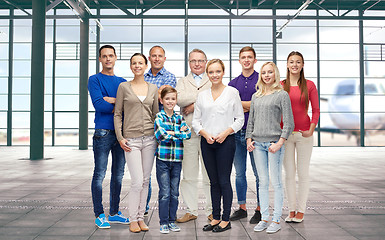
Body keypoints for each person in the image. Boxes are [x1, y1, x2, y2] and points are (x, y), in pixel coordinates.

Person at [192, 59, 244, 233]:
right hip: (207, 142)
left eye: (217, 71)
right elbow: (196, 121)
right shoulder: (202, 95)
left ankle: (226, 219)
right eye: (211, 72)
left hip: (225, 142)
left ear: (223, 72)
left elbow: (240, 119)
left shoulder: (232, 92)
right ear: (208, 74)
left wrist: (226, 133)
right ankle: (215, 218)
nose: (214, 75)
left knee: (223, 181)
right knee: (213, 182)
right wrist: (205, 134)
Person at [246, 62, 294, 234]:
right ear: (261, 75)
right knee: (262, 182)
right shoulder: (256, 96)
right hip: (257, 144)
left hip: (274, 144)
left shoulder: (282, 95)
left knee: (276, 182)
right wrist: (248, 139)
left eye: (270, 72)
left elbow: (289, 122)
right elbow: (251, 120)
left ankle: (276, 220)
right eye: (264, 72)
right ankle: (264, 218)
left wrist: (280, 142)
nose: (266, 75)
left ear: (275, 74)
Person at [114, 53, 158, 233]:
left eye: (140, 63)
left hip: (150, 139)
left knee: (146, 181)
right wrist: (120, 137)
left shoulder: (153, 88)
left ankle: (141, 218)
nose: (137, 66)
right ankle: (133, 219)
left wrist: (158, 137)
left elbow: (156, 115)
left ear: (146, 65)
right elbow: (118, 113)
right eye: (134, 63)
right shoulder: (124, 87)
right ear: (131, 67)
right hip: (130, 140)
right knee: (137, 181)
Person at [88, 45, 129, 229]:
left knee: (118, 175)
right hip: (103, 132)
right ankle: (99, 214)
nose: (108, 59)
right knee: (99, 174)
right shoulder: (94, 79)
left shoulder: (122, 82)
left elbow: (129, 107)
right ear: (100, 59)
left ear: (115, 57)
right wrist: (118, 104)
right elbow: (99, 106)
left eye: (111, 56)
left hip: (121, 133)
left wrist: (111, 100)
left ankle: (114, 212)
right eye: (104, 56)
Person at [282, 51, 320, 223]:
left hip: (304, 135)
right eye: (292, 62)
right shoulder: (281, 85)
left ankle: (301, 211)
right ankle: (291, 209)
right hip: (286, 136)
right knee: (289, 174)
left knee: (303, 173)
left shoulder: (310, 85)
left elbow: (316, 110)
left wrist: (311, 129)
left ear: (302, 65)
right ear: (287, 65)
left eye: (298, 62)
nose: (295, 65)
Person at [175, 49, 213, 223]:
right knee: (189, 174)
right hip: (188, 134)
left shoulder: (212, 78)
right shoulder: (182, 81)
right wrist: (201, 99)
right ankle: (191, 210)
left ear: (206, 62)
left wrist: (192, 105)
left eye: (200, 60)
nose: (197, 64)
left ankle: (212, 210)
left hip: (208, 134)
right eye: (193, 61)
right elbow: (179, 99)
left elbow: (216, 101)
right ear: (189, 63)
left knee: (209, 174)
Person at [228, 46, 261, 223]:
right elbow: (230, 107)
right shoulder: (233, 83)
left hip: (256, 134)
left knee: (259, 174)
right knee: (239, 173)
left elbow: (261, 103)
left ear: (255, 60)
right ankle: (241, 208)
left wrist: (243, 104)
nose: (246, 60)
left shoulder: (261, 80)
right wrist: (252, 103)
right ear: (239, 60)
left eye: (250, 57)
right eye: (243, 57)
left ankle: (260, 208)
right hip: (237, 133)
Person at [144, 45, 177, 216]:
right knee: (145, 171)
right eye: (153, 56)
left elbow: (163, 98)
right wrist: (155, 93)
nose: (157, 58)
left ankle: (169, 210)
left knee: (167, 169)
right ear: (149, 58)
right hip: (145, 127)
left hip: (165, 128)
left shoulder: (171, 77)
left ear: (165, 58)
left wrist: (153, 94)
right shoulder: (142, 76)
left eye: (160, 56)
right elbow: (155, 97)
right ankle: (145, 206)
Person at [154, 87, 192, 234]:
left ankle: (171, 220)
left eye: (173, 99)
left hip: (177, 160)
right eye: (167, 99)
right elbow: (161, 135)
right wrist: (178, 133)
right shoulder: (159, 117)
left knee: (175, 192)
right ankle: (163, 222)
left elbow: (188, 134)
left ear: (176, 101)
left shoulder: (179, 118)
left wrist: (172, 132)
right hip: (163, 160)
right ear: (161, 100)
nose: (170, 101)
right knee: (165, 192)